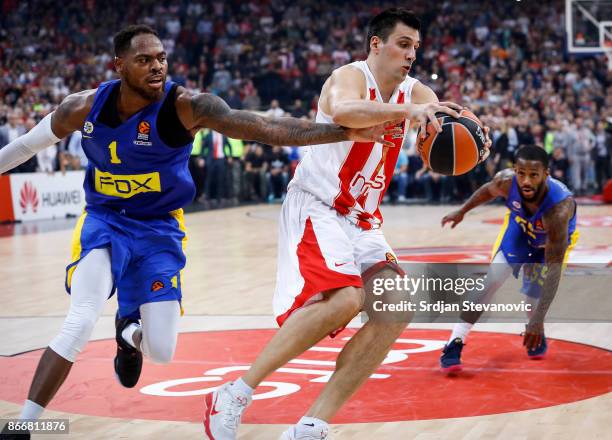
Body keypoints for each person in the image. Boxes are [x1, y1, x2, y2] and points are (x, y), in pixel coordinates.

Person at [0, 24, 400, 440]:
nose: (156, 67)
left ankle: (127, 331)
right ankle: (23, 425)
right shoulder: (81, 108)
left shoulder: (186, 106)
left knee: (162, 350)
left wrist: (341, 132)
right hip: (105, 221)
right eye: (144, 60)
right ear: (118, 66)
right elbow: (26, 145)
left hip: (159, 229)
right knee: (80, 319)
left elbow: (263, 127)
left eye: (161, 58)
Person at [203, 9, 489, 440]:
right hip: (318, 203)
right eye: (403, 44)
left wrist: (466, 140)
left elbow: (438, 135)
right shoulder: (349, 77)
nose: (412, 54)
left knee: (397, 309)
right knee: (343, 300)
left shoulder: (417, 92)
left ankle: (311, 425)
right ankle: (235, 392)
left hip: (362, 217)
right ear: (377, 44)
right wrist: (409, 111)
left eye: (416, 47)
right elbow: (345, 112)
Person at [439, 145, 578, 373]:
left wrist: (538, 320)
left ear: (546, 174)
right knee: (490, 282)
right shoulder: (505, 181)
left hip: (548, 244)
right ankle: (455, 341)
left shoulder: (559, 210)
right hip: (520, 231)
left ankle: (536, 327)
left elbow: (553, 270)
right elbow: (486, 190)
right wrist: (462, 211)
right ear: (514, 171)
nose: (526, 181)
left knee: (534, 297)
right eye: (521, 173)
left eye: (534, 175)